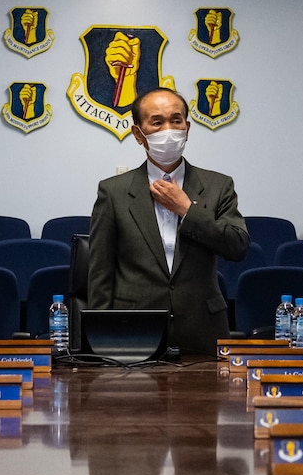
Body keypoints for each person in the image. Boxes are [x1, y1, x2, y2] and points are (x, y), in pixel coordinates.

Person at [85, 86, 249, 356]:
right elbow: (101, 273)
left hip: (203, 330)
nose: (169, 130)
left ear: (187, 126)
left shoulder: (218, 185)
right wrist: (102, 338)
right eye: (157, 122)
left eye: (176, 120)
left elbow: (238, 246)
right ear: (138, 134)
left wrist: (187, 209)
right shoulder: (113, 191)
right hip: (134, 331)